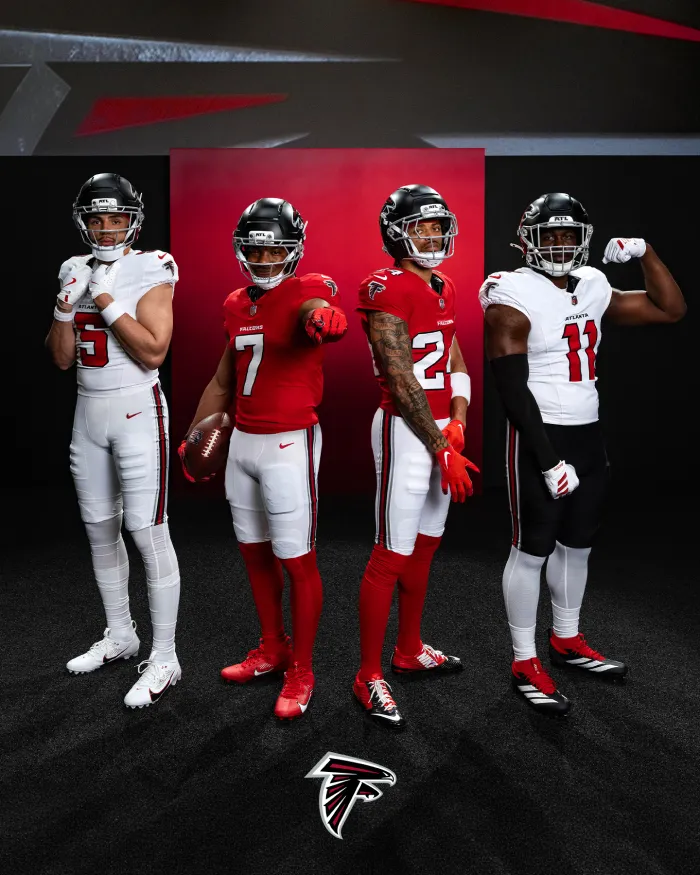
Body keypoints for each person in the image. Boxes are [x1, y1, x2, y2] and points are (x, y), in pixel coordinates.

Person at [480, 192, 686, 716]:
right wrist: (548, 460)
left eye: (570, 236)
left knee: (578, 543)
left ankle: (566, 639)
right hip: (539, 433)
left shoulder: (593, 284)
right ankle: (524, 659)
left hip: (588, 432)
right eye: (551, 236)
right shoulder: (511, 293)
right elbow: (512, 390)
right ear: (527, 239)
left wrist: (646, 252)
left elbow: (670, 309)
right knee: (533, 548)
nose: (562, 245)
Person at [181, 197, 347, 721]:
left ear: (294, 250)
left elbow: (317, 312)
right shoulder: (235, 303)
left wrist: (327, 320)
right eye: (256, 249)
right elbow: (222, 379)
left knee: (297, 559)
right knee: (254, 552)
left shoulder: (308, 288)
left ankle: (302, 667)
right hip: (243, 444)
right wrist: (192, 437)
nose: (265, 259)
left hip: (288, 443)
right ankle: (272, 646)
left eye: (276, 249)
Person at [45, 172, 182, 709]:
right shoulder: (70, 267)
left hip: (136, 409)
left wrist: (101, 297)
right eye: (97, 218)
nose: (107, 229)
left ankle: (166, 656)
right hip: (87, 410)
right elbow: (60, 357)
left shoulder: (153, 265)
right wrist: (63, 308)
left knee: (147, 533)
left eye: (117, 218)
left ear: (134, 219)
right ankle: (121, 635)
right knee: (100, 532)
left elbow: (152, 351)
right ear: (84, 220)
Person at [353, 184, 479, 731]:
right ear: (396, 233)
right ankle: (367, 674)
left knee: (427, 544)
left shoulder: (444, 285)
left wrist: (460, 418)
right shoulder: (383, 287)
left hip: (437, 432)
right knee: (391, 552)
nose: (432, 235)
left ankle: (408, 648)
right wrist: (438, 444)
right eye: (421, 227)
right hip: (404, 434)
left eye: (437, 226)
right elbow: (400, 378)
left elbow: (452, 354)